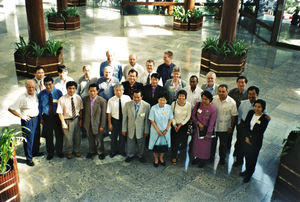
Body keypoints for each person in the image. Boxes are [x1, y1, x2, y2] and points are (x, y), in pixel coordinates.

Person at [233, 86, 270, 167]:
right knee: (239, 144)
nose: (251, 96)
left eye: (253, 94)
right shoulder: (243, 103)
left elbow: (266, 116)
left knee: (249, 147)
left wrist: (268, 117)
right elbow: (239, 114)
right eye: (249, 94)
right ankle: (239, 161)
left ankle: (248, 166)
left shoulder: (259, 105)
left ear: (257, 95)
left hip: (253, 129)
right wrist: (239, 124)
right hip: (243, 126)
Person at [8, 80, 39, 166]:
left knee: (36, 137)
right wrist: (21, 116)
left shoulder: (36, 93)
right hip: (28, 121)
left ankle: (35, 152)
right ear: (26, 87)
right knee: (28, 140)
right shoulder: (22, 97)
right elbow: (10, 108)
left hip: (36, 119)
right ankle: (29, 159)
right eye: (29, 87)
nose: (31, 89)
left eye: (33, 87)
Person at [240, 99, 269, 183]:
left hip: (255, 142)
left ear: (263, 108)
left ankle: (249, 174)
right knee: (247, 156)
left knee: (252, 158)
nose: (256, 108)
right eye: (255, 106)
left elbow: (260, 132)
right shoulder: (250, 113)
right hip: (247, 139)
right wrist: (247, 137)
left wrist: (251, 140)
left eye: (259, 107)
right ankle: (246, 171)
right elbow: (246, 125)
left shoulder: (265, 118)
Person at [38, 76, 64, 160]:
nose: (48, 87)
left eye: (50, 84)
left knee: (59, 135)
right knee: (48, 135)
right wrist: (41, 118)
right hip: (47, 117)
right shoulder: (41, 94)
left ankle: (59, 151)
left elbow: (62, 105)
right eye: (46, 85)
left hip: (56, 116)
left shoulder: (58, 92)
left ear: (53, 83)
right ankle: (50, 152)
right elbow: (39, 107)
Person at [211, 84, 238, 165]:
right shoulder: (214, 99)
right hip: (214, 126)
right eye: (219, 91)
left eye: (223, 92)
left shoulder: (232, 102)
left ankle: (222, 159)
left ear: (227, 92)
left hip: (225, 127)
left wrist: (231, 126)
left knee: (223, 145)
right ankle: (210, 157)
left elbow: (233, 115)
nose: (221, 93)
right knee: (213, 143)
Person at [122, 90, 150, 163]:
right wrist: (124, 129)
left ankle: (140, 155)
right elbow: (125, 118)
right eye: (134, 97)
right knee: (130, 142)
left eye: (138, 97)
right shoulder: (127, 104)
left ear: (141, 97)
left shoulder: (146, 106)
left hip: (141, 129)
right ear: (132, 96)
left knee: (141, 143)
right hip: (130, 128)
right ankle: (130, 155)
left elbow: (147, 120)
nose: (136, 99)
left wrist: (146, 131)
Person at [57, 81, 83, 159]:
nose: (71, 90)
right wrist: (63, 123)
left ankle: (76, 150)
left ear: (75, 89)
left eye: (73, 88)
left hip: (76, 119)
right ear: (66, 89)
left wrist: (81, 120)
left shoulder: (78, 97)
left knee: (77, 136)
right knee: (68, 138)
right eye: (70, 88)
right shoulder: (62, 99)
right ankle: (69, 152)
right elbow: (60, 112)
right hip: (67, 120)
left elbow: (81, 109)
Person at [192, 91, 217, 168]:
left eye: (206, 99)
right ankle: (198, 158)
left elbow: (212, 123)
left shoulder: (213, 109)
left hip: (207, 130)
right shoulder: (198, 105)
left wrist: (208, 134)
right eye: (203, 98)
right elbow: (193, 115)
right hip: (198, 129)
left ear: (210, 100)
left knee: (205, 146)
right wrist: (198, 123)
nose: (204, 101)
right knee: (197, 145)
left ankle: (203, 160)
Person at [82, 83, 107, 160]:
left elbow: (103, 115)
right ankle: (91, 151)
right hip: (88, 122)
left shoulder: (102, 101)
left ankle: (100, 152)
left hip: (98, 123)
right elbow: (83, 112)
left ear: (97, 91)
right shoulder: (85, 99)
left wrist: (102, 125)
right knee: (90, 138)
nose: (92, 93)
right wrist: (83, 123)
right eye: (90, 91)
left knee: (99, 138)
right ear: (88, 91)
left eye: (94, 91)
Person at [148, 93, 173, 167]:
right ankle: (156, 159)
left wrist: (167, 129)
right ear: (158, 100)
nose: (162, 101)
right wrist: (158, 131)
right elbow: (152, 120)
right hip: (155, 130)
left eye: (164, 100)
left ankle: (161, 158)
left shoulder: (169, 107)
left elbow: (170, 119)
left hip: (166, 130)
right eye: (160, 100)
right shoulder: (153, 108)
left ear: (166, 101)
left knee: (163, 145)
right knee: (155, 145)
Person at [107, 84, 131, 158]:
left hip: (124, 120)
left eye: (120, 90)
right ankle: (113, 151)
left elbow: (130, 110)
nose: (118, 92)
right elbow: (109, 112)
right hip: (115, 120)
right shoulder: (111, 100)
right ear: (114, 91)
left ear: (123, 91)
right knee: (113, 137)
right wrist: (109, 123)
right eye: (116, 90)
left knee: (122, 136)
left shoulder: (127, 98)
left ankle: (122, 150)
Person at [170, 89, 191, 165]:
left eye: (183, 96)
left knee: (182, 142)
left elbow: (188, 116)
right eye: (180, 96)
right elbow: (171, 115)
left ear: (185, 97)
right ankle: (173, 156)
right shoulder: (174, 104)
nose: (181, 97)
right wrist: (175, 124)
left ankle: (178, 154)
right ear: (177, 96)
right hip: (174, 126)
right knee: (174, 142)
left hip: (184, 126)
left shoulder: (188, 105)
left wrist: (181, 124)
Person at [227, 76, 248, 150]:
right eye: (239, 82)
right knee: (229, 133)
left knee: (240, 135)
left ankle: (237, 149)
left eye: (242, 82)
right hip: (232, 117)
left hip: (241, 118)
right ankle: (227, 147)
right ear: (237, 83)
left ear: (246, 84)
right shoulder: (232, 92)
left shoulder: (248, 95)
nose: (241, 84)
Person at [32, 66, 45, 156]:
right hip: (35, 110)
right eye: (38, 73)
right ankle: (34, 151)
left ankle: (37, 145)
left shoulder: (46, 81)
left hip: (44, 109)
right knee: (36, 131)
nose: (40, 74)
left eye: (42, 72)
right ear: (35, 74)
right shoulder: (32, 83)